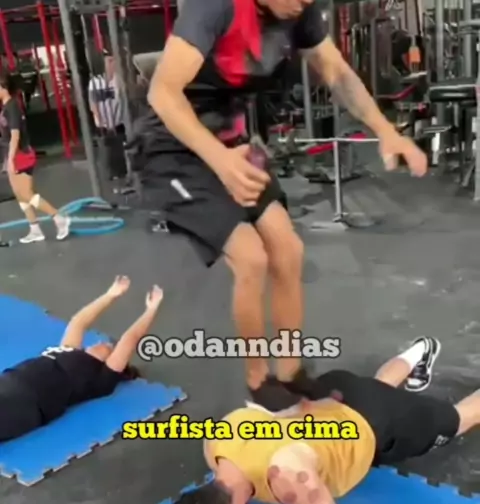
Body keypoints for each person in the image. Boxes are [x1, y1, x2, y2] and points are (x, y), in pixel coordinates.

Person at [135, 0, 428, 413]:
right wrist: (220, 163)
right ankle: (258, 378)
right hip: (172, 150)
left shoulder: (299, 12)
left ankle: (290, 371)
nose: (304, 1)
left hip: (232, 145)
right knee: (251, 257)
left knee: (288, 250)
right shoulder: (214, 7)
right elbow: (162, 93)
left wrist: (386, 130)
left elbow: (337, 72)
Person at [168, 335, 479, 504]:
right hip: (332, 391)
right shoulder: (216, 442)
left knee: (460, 419)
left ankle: (426, 360)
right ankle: (420, 350)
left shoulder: (290, 479)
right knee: (375, 388)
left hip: (378, 422)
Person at [0, 277, 163, 443]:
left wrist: (151, 310)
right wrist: (111, 294)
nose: (104, 343)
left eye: (110, 347)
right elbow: (78, 322)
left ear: (109, 361)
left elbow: (130, 339)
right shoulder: (68, 350)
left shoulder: (101, 381)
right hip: (8, 383)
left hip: (29, 403)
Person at [0, 71, 70, 244]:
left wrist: (10, 159)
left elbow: (15, 135)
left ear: (3, 87)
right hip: (12, 154)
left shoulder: (12, 107)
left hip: (21, 155)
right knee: (20, 195)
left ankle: (58, 217)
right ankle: (35, 229)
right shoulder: (5, 107)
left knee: (27, 194)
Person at [88, 49, 127, 184]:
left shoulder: (118, 80)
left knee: (121, 148)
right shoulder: (95, 82)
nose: (113, 63)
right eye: (109, 61)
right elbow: (93, 104)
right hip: (104, 125)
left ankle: (123, 172)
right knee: (107, 151)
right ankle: (111, 174)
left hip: (119, 121)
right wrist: (101, 122)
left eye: (113, 60)